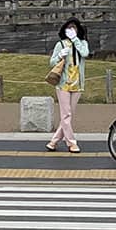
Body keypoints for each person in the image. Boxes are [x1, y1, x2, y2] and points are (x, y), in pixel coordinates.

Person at [45, 18, 89, 154]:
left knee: (69, 115)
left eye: (73, 28)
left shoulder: (82, 43)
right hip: (63, 84)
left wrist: (75, 40)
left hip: (77, 83)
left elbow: (85, 53)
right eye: (68, 28)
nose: (71, 30)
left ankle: (54, 141)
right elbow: (52, 62)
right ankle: (71, 142)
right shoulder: (61, 44)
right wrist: (59, 55)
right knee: (66, 114)